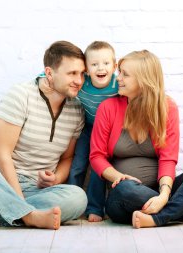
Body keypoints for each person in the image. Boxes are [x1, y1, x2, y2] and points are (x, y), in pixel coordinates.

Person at [0, 41, 88, 230]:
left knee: (78, 198)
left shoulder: (76, 110)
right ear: (49, 73)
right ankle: (28, 216)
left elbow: (67, 157)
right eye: (72, 73)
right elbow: (1, 155)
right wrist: (18, 201)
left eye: (82, 74)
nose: (79, 80)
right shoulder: (20, 95)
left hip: (37, 191)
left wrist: (56, 178)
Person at [89, 50, 183, 228]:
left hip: (162, 192)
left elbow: (168, 158)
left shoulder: (167, 108)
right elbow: (96, 156)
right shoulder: (108, 108)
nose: (118, 78)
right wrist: (119, 177)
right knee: (126, 188)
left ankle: (158, 217)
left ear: (143, 80)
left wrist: (163, 196)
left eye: (125, 74)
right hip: (124, 197)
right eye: (119, 72)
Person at [38, 41, 118, 222]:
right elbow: (50, 73)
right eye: (94, 64)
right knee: (77, 165)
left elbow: (136, 87)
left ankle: (95, 208)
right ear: (86, 70)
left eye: (106, 63)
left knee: (99, 169)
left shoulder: (117, 85)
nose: (101, 68)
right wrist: (41, 79)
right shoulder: (82, 84)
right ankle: (71, 201)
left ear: (114, 66)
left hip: (108, 133)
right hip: (88, 129)